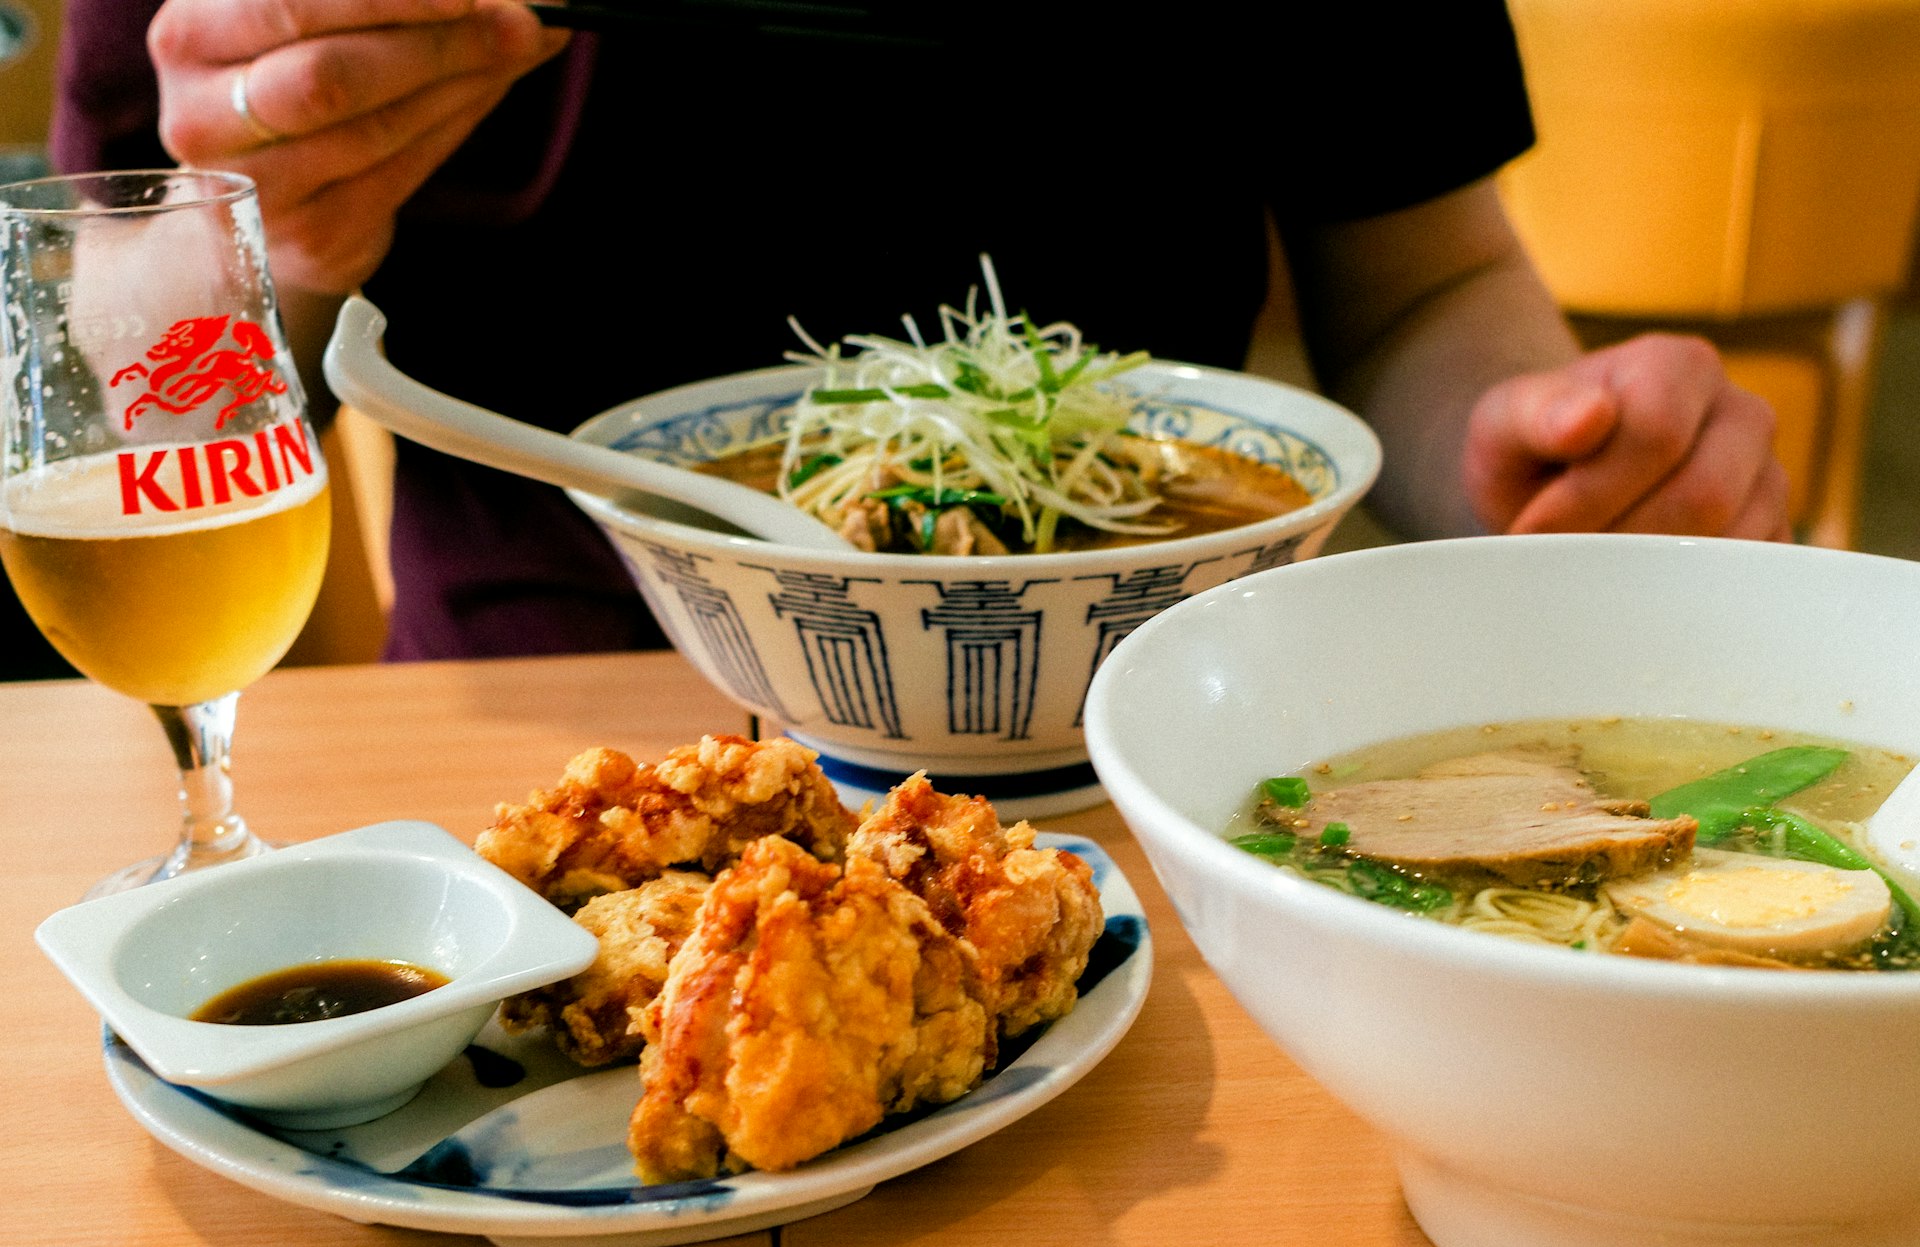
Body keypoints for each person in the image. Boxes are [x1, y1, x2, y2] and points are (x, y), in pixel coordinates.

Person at [48, 0, 1791, 664]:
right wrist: (281, 247)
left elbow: (1420, 284)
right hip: (531, 754)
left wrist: (1546, 449)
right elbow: (128, 394)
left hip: (1161, 742)